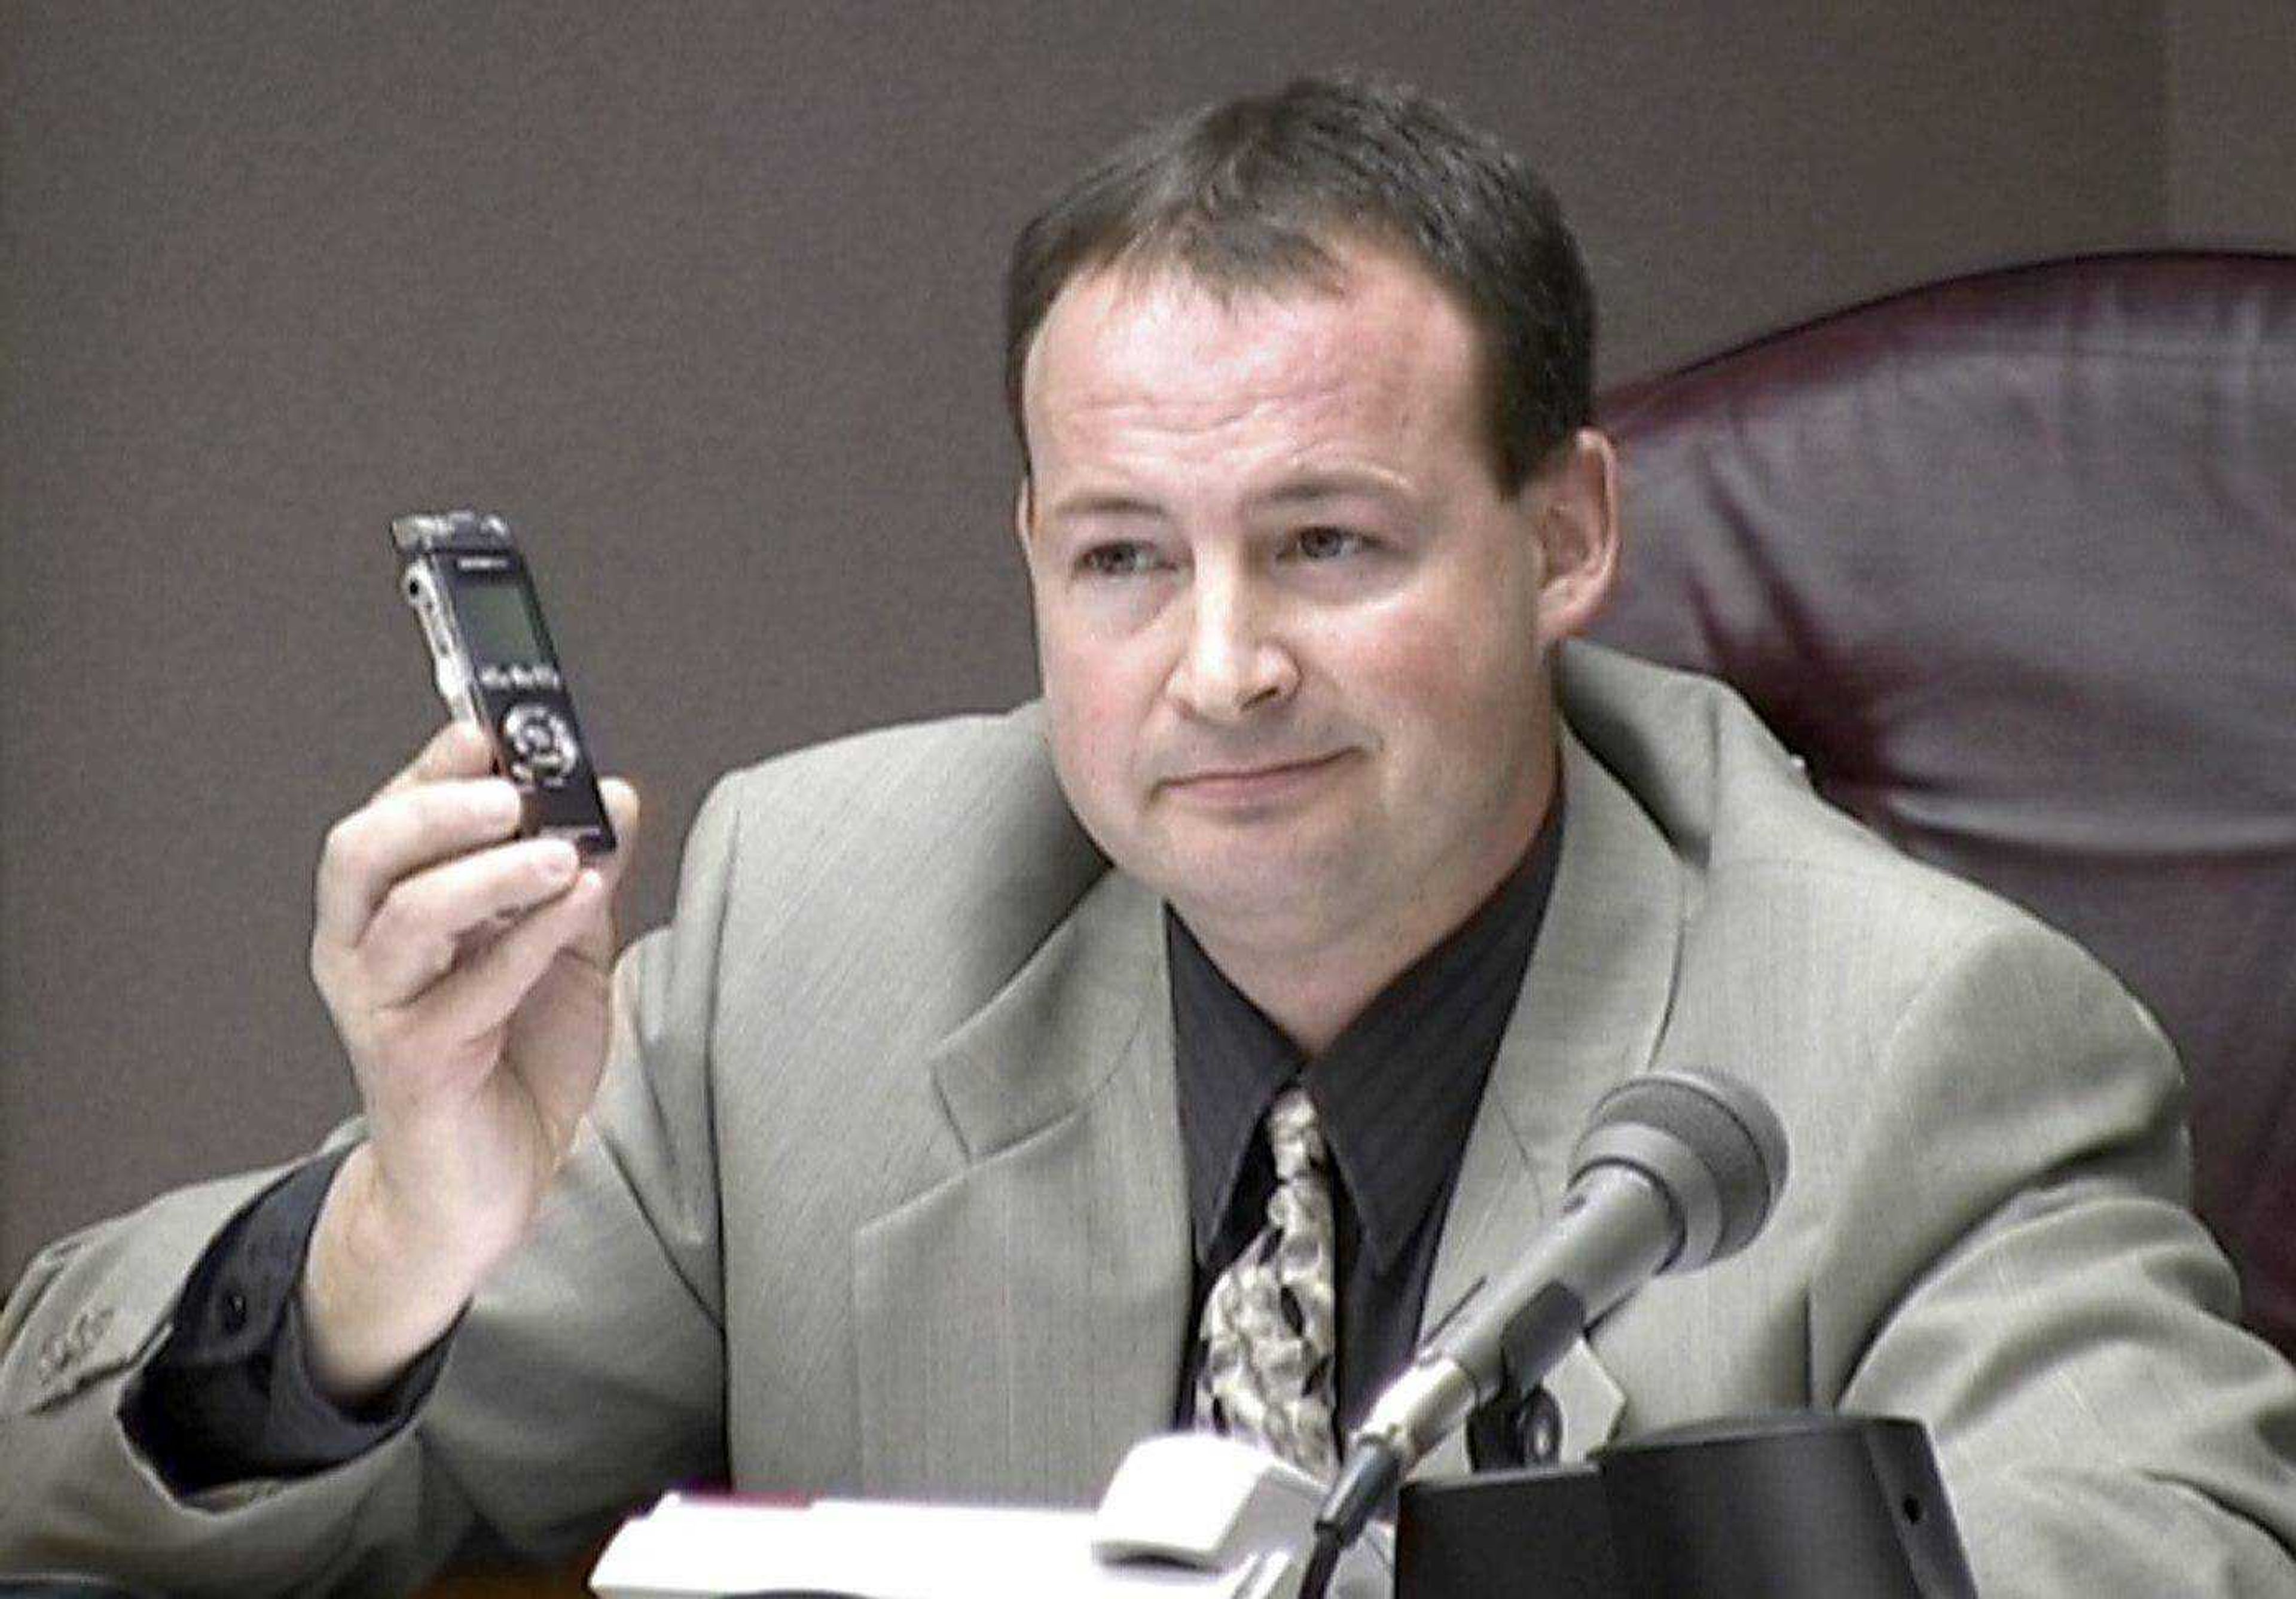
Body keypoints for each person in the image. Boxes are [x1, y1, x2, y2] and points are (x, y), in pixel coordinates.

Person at [4, 72, 2292, 1596]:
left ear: (1567, 530)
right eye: (1120, 557)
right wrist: (398, 1236)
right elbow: (68, 1476)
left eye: (1327, 543)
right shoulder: (838, 927)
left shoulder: (1922, 1028)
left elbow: (2176, 1545)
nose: (1218, 667)